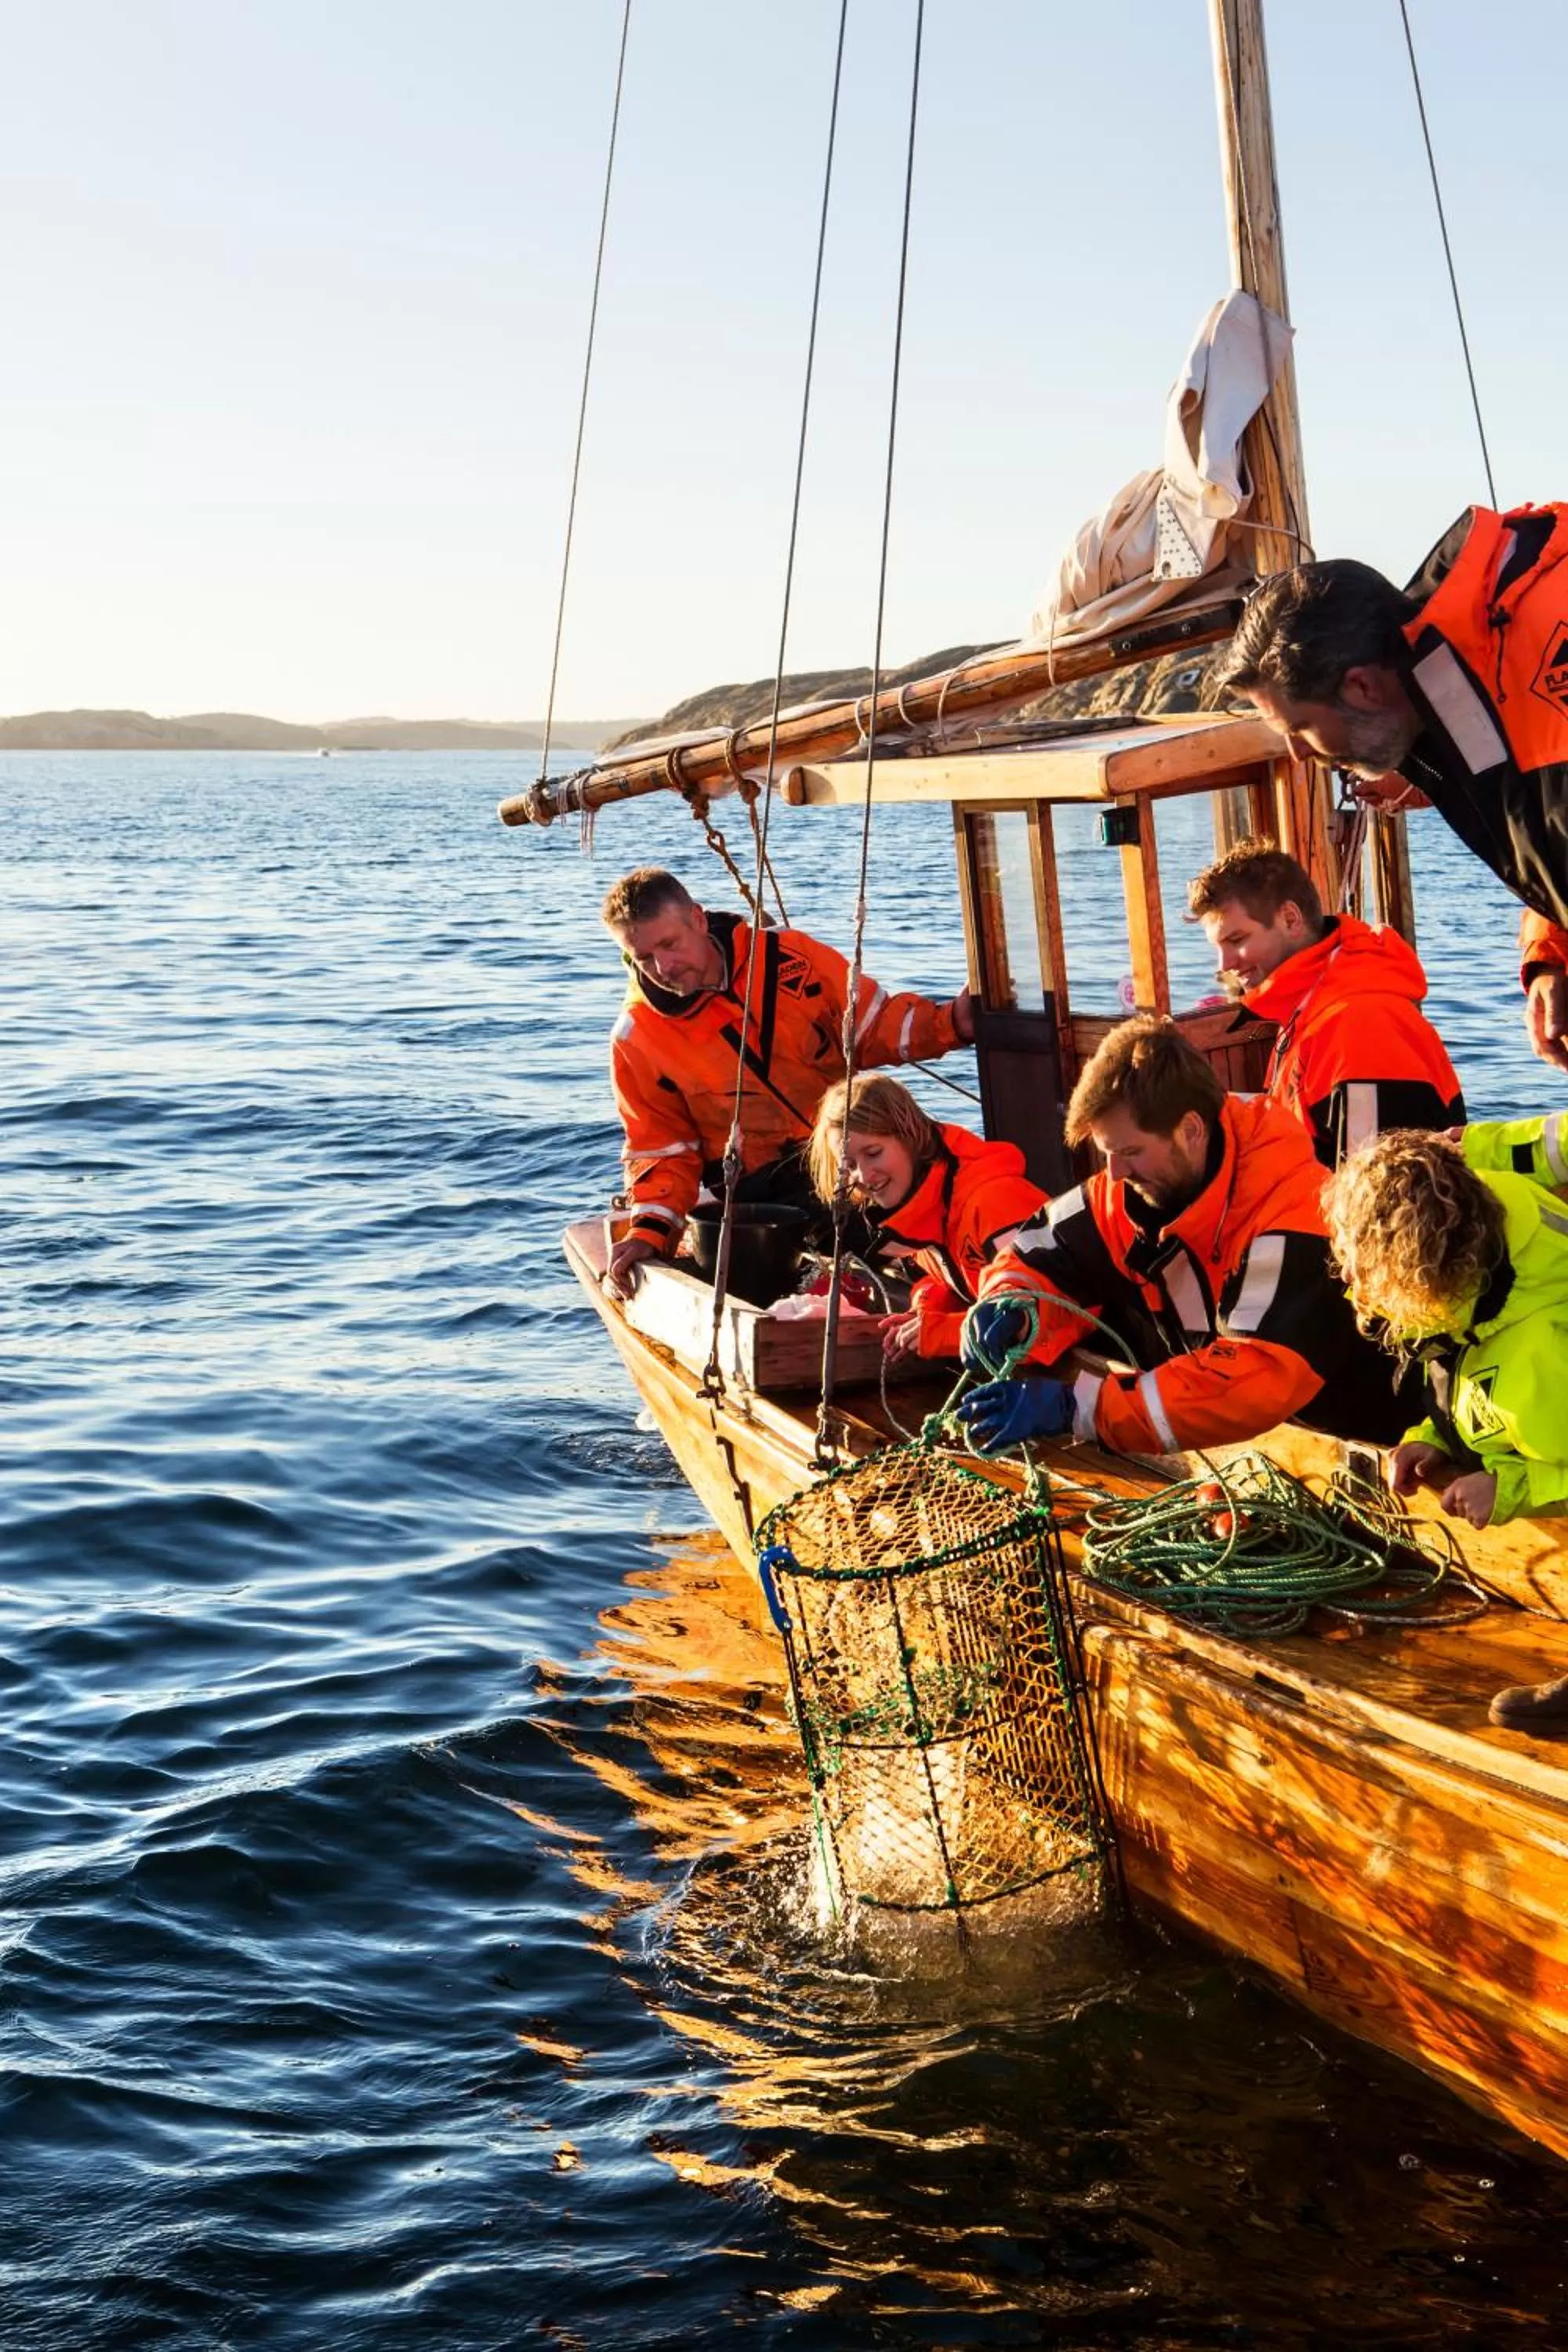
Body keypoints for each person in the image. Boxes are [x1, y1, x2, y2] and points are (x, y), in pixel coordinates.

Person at [954, 1014, 1413, 1459]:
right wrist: (1009, 1298)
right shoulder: (1127, 1189)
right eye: (1107, 1155)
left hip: (1358, 1443)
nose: (1115, 1173)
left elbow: (1248, 1380)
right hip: (1242, 1446)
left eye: (1131, 1152)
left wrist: (1080, 1408)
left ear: (1191, 1130)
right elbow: (1037, 1252)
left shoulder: (1294, 1212)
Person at [1210, 506, 1568, 1074]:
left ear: (1362, 687)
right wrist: (1553, 956)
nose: (1301, 755)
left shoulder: (1532, 668)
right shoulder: (1457, 694)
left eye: (1299, 728)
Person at [600, 868, 973, 1297]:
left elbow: (872, 1026)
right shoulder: (637, 1036)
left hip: (845, 1147)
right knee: (886, 1247)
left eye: (669, 944)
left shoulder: (789, 957)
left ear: (698, 921)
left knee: (957, 1182)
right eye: (643, 957)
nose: (662, 967)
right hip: (768, 1190)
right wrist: (649, 1232)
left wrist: (951, 1024)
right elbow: (661, 1150)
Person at [1324, 1124, 1568, 1730]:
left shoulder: (1546, 1346)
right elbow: (1471, 1383)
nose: (1359, 1285)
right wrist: (1431, 1441)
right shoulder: (1490, 1274)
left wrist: (1504, 1486)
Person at [1186, 837, 1465, 1165]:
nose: (1224, 964)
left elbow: (1379, 1194)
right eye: (1218, 948)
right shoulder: (1310, 1008)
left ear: (1290, 919)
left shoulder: (1360, 1026)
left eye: (1237, 939)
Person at [807, 1074, 1047, 1361]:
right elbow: (945, 1278)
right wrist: (923, 1312)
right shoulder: (919, 1213)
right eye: (849, 1165)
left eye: (873, 1153)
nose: (864, 1176)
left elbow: (1034, 1315)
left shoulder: (994, 1202)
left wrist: (941, 1333)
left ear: (909, 1136)